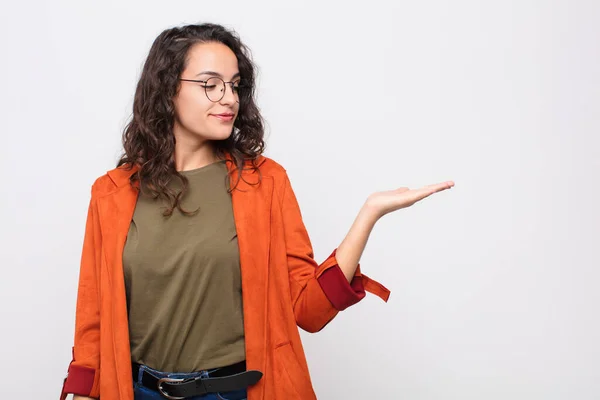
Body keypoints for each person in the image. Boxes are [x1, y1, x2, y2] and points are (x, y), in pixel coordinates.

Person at [60, 22, 454, 400]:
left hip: (232, 393)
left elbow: (308, 310)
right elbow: (92, 324)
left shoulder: (265, 183)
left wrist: (369, 214)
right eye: (210, 85)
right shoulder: (111, 194)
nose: (229, 98)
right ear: (167, 91)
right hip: (137, 391)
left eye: (234, 85)